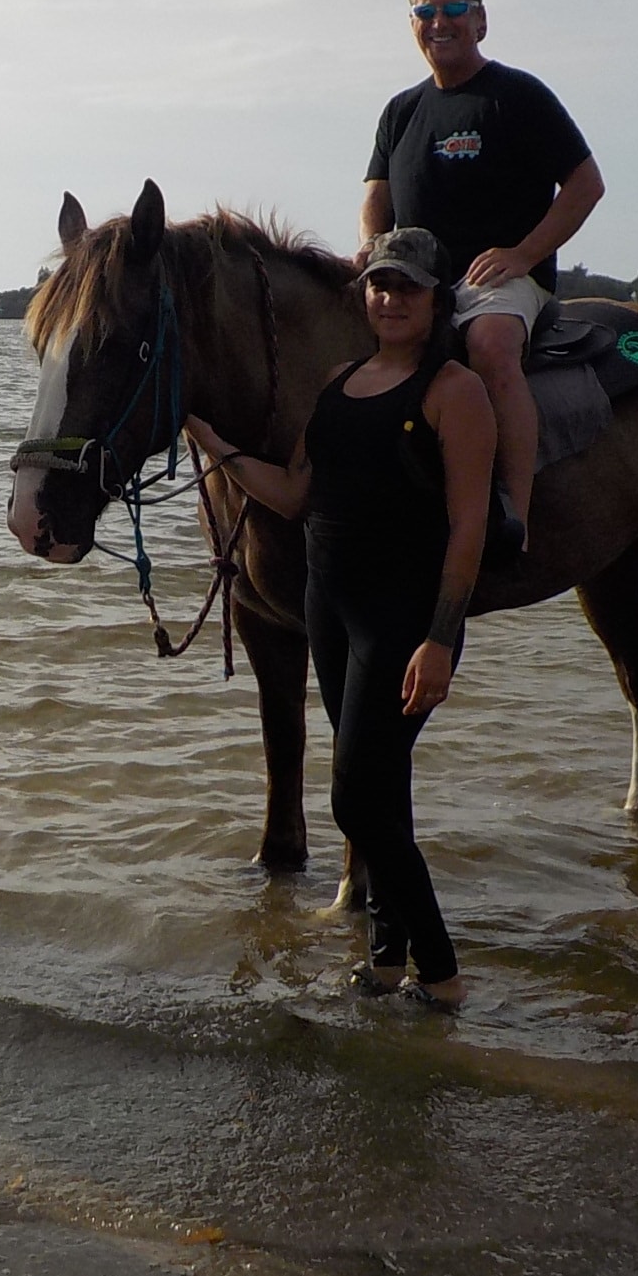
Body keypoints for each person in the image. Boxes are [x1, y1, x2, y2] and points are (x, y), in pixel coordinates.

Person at [187, 228, 495, 1006]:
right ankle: (387, 961)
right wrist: (215, 443)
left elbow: (468, 528)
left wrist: (442, 638)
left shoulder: (454, 391)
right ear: (364, 297)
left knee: (354, 797)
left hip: (400, 618)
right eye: (380, 286)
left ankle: (444, 973)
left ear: (435, 300)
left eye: (408, 289)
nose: (390, 300)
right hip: (329, 605)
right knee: (380, 791)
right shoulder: (337, 382)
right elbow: (293, 495)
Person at [359, 0, 604, 553]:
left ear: (481, 20)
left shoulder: (517, 96)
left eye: (453, 10)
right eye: (426, 11)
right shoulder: (401, 111)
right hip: (417, 279)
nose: (439, 22)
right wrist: (370, 255)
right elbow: (376, 200)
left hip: (499, 282)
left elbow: (586, 184)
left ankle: (509, 516)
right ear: (412, 22)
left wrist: (523, 254)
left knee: (490, 345)